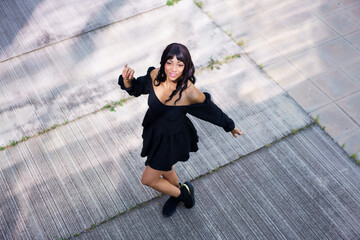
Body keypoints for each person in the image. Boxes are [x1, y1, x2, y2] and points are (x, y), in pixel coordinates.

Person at [118, 43, 243, 217]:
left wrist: (230, 125)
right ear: (164, 62)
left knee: (148, 179)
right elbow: (137, 88)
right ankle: (178, 188)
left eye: (180, 64)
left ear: (186, 66)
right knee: (166, 167)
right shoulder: (156, 75)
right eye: (170, 62)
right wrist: (127, 81)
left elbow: (211, 111)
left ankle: (184, 195)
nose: (173, 69)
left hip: (172, 140)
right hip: (154, 133)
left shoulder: (189, 92)